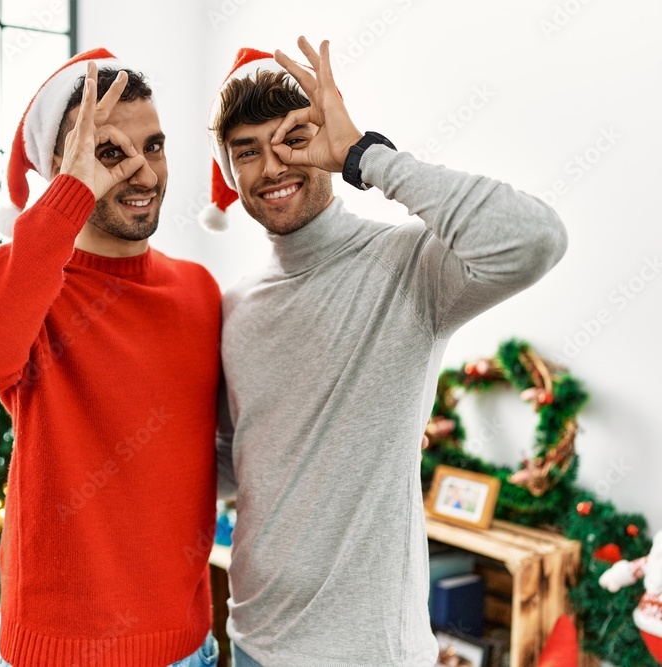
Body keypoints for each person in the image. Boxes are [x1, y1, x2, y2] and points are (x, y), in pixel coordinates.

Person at [206, 39, 568, 666]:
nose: (272, 166)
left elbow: (536, 240)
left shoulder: (409, 266)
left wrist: (366, 155)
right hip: (253, 637)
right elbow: (238, 459)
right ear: (230, 171)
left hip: (368, 650)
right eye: (247, 151)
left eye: (293, 139)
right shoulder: (237, 307)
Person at [0, 49, 221, 667]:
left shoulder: (198, 290)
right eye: (111, 153)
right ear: (65, 168)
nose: (144, 173)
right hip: (58, 655)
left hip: (187, 647)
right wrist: (67, 200)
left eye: (155, 146)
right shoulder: (30, 287)